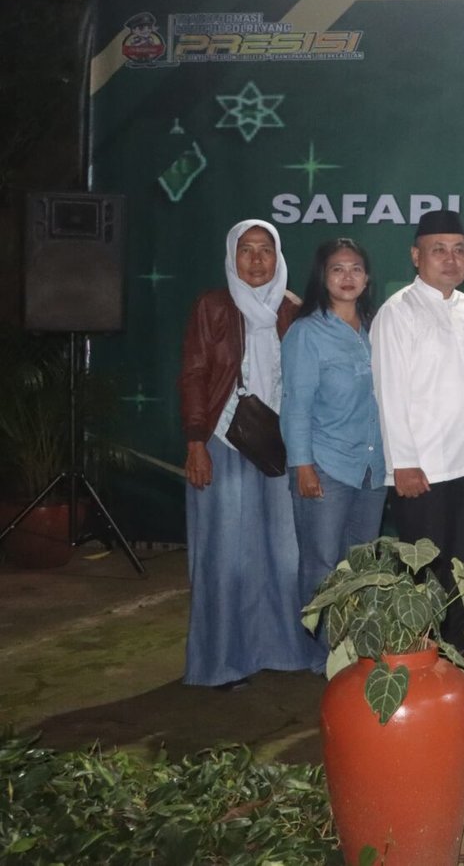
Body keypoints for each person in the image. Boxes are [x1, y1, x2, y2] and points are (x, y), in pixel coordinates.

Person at [178, 219, 315, 688]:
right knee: (225, 555)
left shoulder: (293, 310)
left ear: (279, 257)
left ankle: (284, 650)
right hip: (223, 440)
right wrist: (196, 442)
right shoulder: (213, 306)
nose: (256, 260)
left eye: (265, 250)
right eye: (246, 250)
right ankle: (221, 661)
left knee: (285, 553)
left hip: (280, 446)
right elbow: (194, 374)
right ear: (231, 256)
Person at [371, 208, 464, 663]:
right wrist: (402, 462)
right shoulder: (397, 312)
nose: (450, 259)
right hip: (421, 469)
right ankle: (424, 655)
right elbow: (389, 392)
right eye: (438, 250)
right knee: (426, 571)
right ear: (415, 256)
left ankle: (456, 648)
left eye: (459, 250)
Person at [281, 237, 387, 667]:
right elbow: (295, 405)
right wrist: (302, 465)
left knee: (362, 564)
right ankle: (320, 656)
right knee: (322, 564)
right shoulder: (306, 332)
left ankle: (355, 649)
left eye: (356, 268)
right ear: (322, 277)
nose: (347, 277)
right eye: (337, 269)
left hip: (372, 468)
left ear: (367, 277)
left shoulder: (377, 328)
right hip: (324, 465)